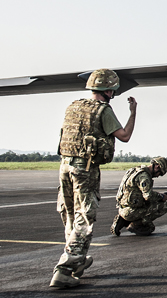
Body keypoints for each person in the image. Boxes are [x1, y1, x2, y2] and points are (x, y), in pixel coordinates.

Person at [50, 68, 136, 289]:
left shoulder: (74, 106)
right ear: (110, 90)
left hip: (65, 166)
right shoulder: (103, 111)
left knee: (69, 213)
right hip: (84, 169)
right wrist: (133, 112)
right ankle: (65, 268)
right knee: (85, 217)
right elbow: (124, 136)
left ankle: (77, 258)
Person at [111, 157, 167, 236]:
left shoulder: (134, 171)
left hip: (122, 208)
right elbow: (148, 196)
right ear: (157, 166)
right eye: (159, 173)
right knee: (164, 207)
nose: (157, 176)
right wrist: (162, 196)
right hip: (131, 211)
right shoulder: (144, 177)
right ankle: (135, 224)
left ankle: (123, 219)